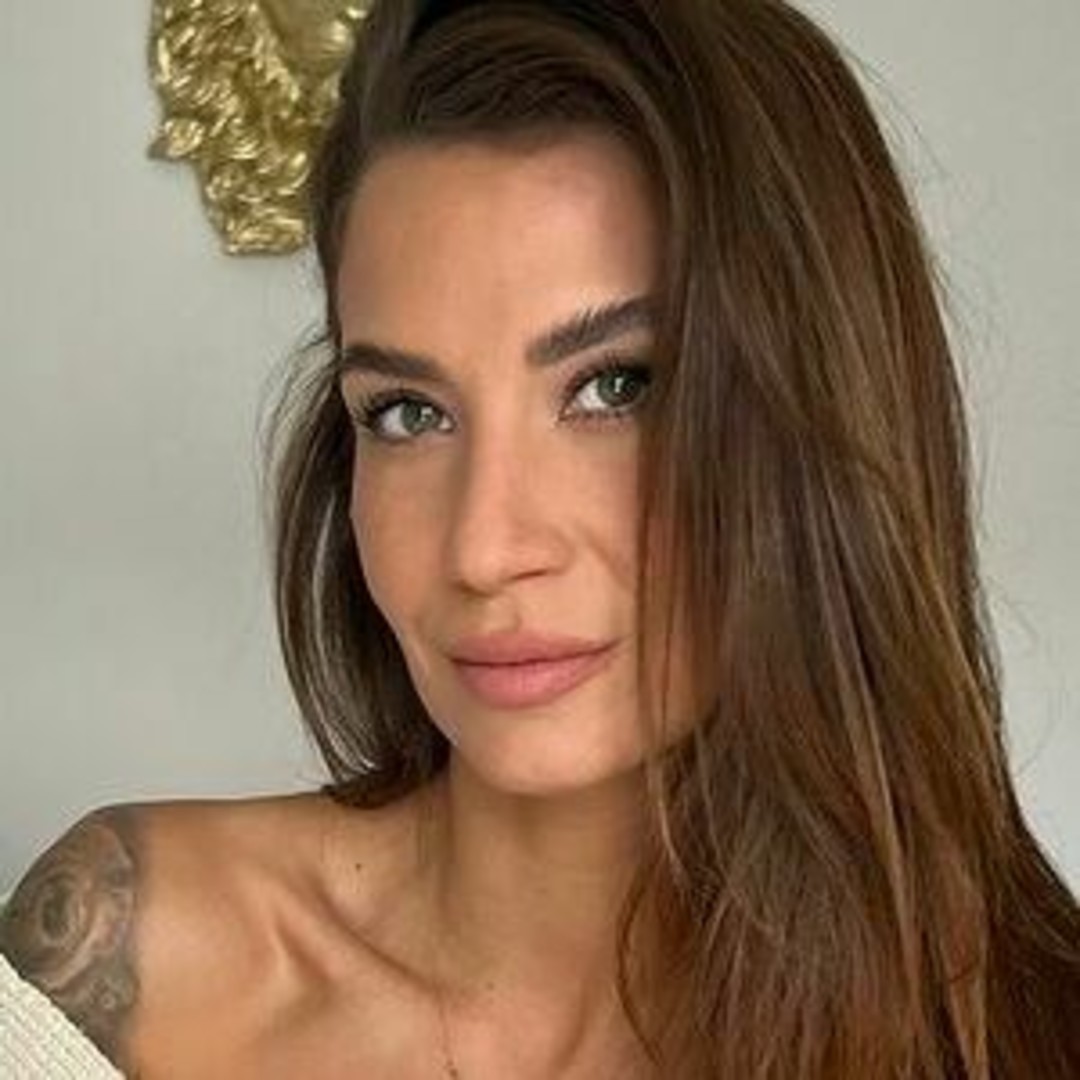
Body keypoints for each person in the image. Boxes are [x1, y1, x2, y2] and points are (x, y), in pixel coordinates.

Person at [2, 0, 1078, 1076]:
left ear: (830, 412)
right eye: (408, 413)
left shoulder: (1018, 1033)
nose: (484, 548)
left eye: (617, 388)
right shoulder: (128, 964)